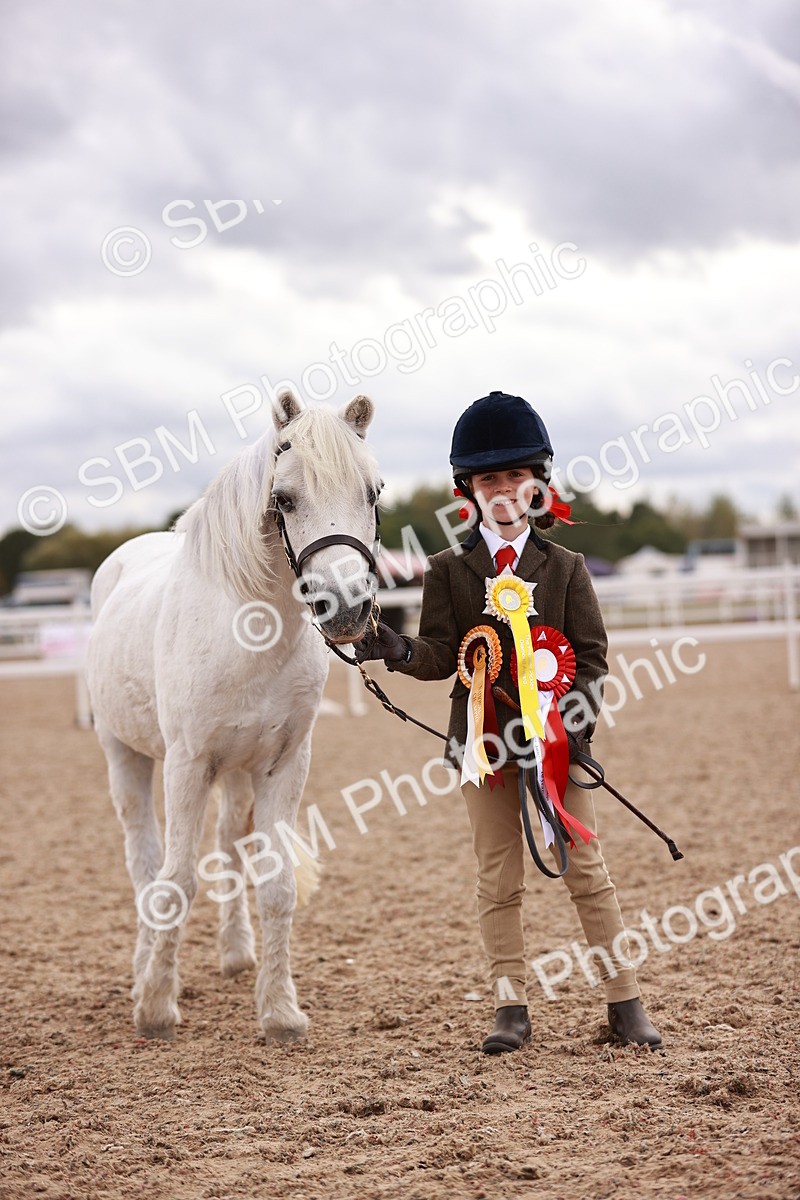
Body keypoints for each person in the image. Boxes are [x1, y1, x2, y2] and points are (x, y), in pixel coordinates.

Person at [357, 390, 662, 1055]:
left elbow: (591, 658)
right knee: (498, 878)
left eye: (516, 476)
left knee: (586, 869)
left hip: (557, 741)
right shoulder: (448, 570)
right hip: (483, 745)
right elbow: (442, 654)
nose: (503, 489)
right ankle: (510, 1008)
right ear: (468, 489)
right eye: (489, 478)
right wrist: (400, 650)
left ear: (537, 484)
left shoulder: (566, 567)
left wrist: (569, 726)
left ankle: (625, 1002)